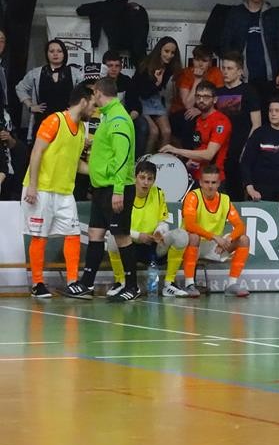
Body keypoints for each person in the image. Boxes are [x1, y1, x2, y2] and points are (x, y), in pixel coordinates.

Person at [63, 77, 139, 301]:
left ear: (98, 92)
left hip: (115, 187)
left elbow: (122, 156)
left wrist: (118, 190)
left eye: (93, 93)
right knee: (95, 233)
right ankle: (87, 283)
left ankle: (132, 286)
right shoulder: (108, 115)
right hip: (101, 187)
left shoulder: (118, 119)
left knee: (121, 236)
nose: (92, 97)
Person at [21, 83, 95, 298]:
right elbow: (36, 152)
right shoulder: (55, 120)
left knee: (73, 234)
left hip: (64, 191)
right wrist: (33, 185)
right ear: (83, 101)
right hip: (41, 188)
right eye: (93, 105)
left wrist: (99, 173)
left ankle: (72, 281)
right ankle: (37, 284)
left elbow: (76, 164)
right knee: (39, 236)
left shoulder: (81, 129)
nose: (94, 110)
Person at [105, 161, 190, 297]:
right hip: (128, 246)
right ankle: (121, 282)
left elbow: (163, 222)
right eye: (142, 178)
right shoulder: (123, 195)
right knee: (112, 238)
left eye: (150, 179)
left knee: (181, 235)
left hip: (153, 246)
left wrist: (159, 232)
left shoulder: (158, 193)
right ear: (135, 178)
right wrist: (139, 236)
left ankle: (169, 284)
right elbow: (115, 226)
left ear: (154, 180)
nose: (145, 182)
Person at [181, 165, 251, 297]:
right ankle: (189, 284)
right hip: (191, 244)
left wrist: (228, 239)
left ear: (219, 183)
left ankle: (232, 284)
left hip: (214, 246)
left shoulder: (225, 199)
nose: (210, 186)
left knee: (244, 239)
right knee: (194, 236)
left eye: (213, 182)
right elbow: (189, 225)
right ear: (200, 182)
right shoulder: (193, 196)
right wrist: (214, 237)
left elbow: (240, 226)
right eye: (206, 182)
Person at [220, 0, 279, 106]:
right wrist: (231, 70)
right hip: (242, 75)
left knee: (268, 111)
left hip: (269, 75)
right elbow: (226, 43)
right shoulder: (236, 13)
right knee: (239, 110)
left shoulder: (273, 14)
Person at [160, 81, 232, 187]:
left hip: (213, 180)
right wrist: (190, 161)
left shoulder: (221, 121)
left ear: (215, 99)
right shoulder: (197, 120)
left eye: (206, 97)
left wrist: (176, 150)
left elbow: (209, 154)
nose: (201, 100)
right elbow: (197, 147)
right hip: (195, 177)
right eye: (198, 96)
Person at [16, 39, 84, 142]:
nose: (55, 54)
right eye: (51, 51)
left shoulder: (75, 73)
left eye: (59, 51)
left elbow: (84, 93)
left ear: (64, 54)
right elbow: (20, 88)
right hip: (43, 123)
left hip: (67, 123)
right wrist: (30, 106)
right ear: (47, 54)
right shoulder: (36, 73)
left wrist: (76, 107)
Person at [216, 51, 262, 201]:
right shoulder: (217, 92)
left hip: (241, 146)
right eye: (223, 68)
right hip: (221, 147)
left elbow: (257, 124)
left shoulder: (249, 91)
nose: (225, 72)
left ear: (240, 71)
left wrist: (247, 148)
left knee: (238, 189)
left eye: (230, 68)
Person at [169, 45, 224, 148]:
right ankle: (188, 153)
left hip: (204, 110)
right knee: (189, 118)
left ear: (210, 62)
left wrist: (201, 110)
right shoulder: (186, 73)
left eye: (204, 61)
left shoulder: (215, 72)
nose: (200, 64)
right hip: (181, 112)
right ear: (193, 60)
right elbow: (188, 105)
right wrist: (197, 80)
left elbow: (219, 100)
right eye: (197, 60)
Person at [133, 36, 181, 153]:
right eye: (166, 51)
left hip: (155, 100)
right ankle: (145, 161)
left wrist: (158, 84)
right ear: (159, 50)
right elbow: (141, 92)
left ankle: (160, 161)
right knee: (154, 131)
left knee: (167, 131)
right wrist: (156, 83)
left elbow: (159, 89)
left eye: (172, 53)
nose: (169, 55)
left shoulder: (169, 68)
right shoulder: (145, 65)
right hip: (140, 100)